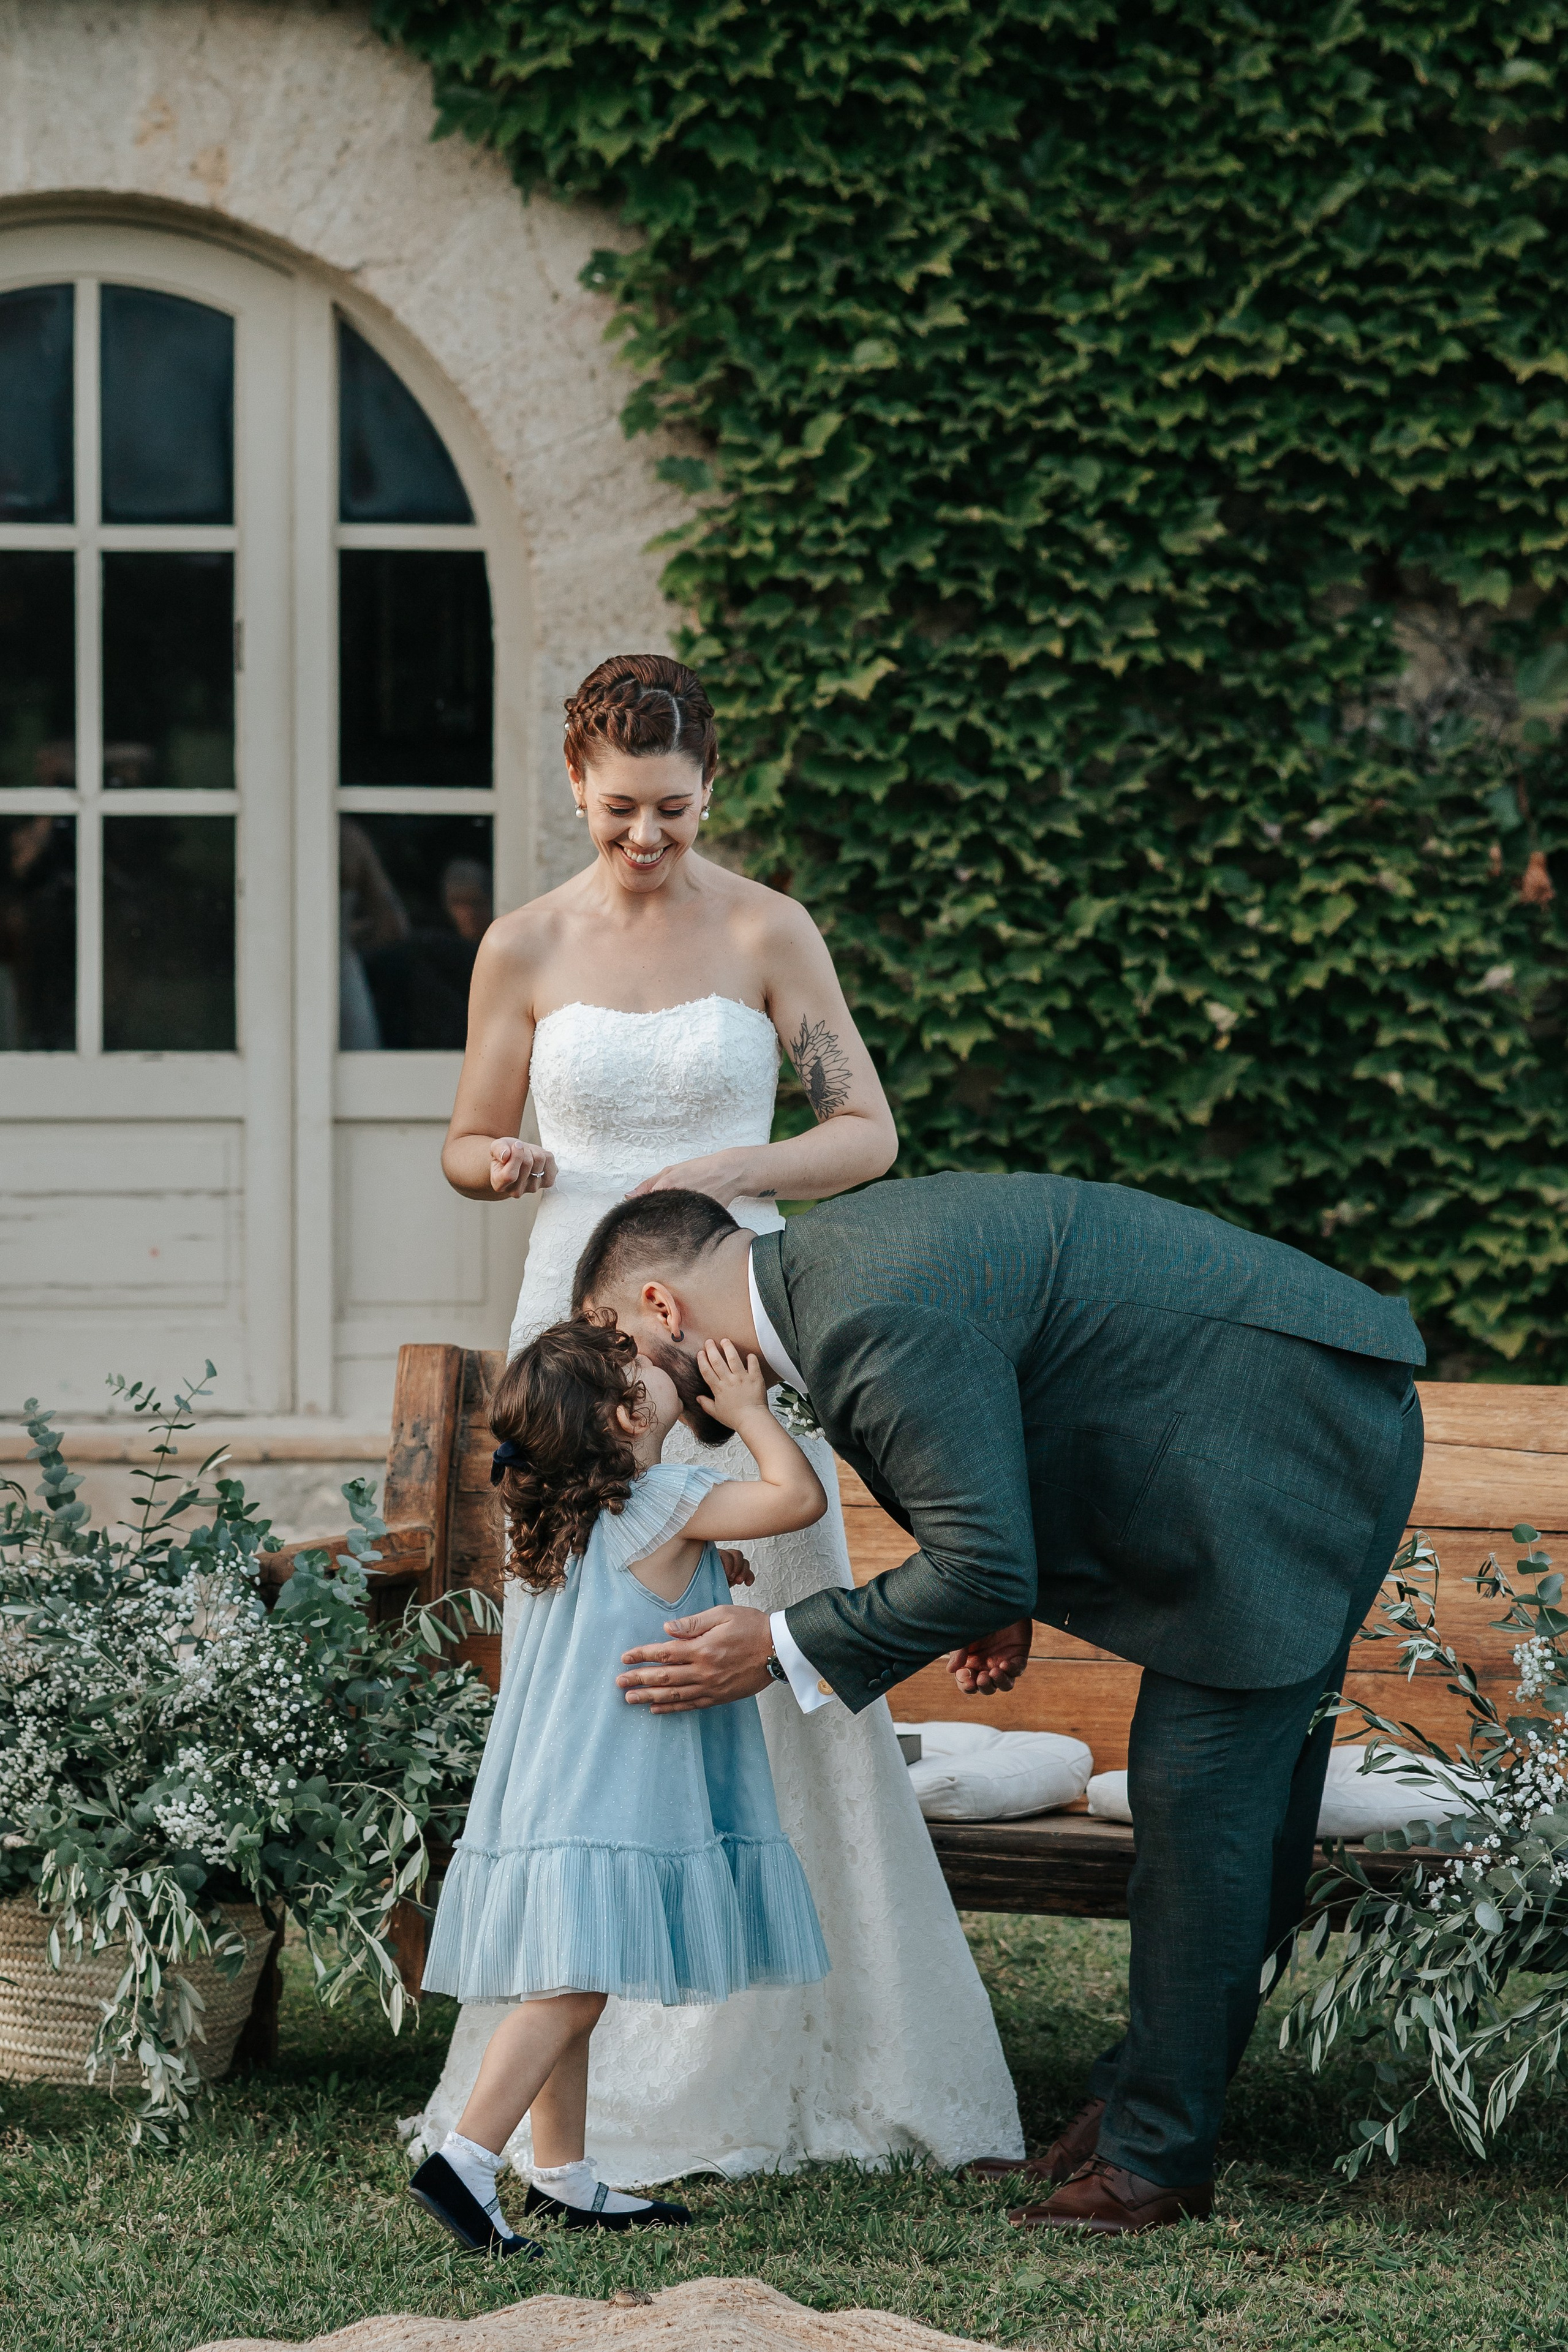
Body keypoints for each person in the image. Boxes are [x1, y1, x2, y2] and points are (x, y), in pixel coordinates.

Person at [415, 652, 1022, 2183]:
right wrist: (495, 1169)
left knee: (773, 1649)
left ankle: (820, 2054)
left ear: (711, 792)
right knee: (583, 1697)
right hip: (578, 1359)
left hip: (734, 1327)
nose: (644, 838)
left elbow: (864, 1131)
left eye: (672, 811)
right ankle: (562, 2104)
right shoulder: (523, 946)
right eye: (619, 810)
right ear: (573, 787)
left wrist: (746, 1176)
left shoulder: (766, 928)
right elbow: (469, 1136)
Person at [574, 1174, 1428, 2238]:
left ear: (662, 1306)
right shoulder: (829, 1282)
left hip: (1285, 1431)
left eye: (614, 1347)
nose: (626, 1384)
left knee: (1201, 1799)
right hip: (1276, 1406)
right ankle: (1135, 2114)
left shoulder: (861, 1316)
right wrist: (994, 1580)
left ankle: (1154, 2162)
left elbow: (979, 1552)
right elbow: (1020, 1390)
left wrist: (783, 1643)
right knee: (1239, 1801)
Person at [410, 1321, 829, 2256]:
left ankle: (560, 2174)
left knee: (576, 1969)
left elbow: (636, 1588)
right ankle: (466, 2160)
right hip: (613, 1787)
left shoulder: (575, 1513)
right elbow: (796, 1497)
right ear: (626, 1411)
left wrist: (709, 1569)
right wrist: (754, 1413)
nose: (664, 1356)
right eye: (642, 1358)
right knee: (573, 1993)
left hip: (553, 1781)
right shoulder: (667, 1499)